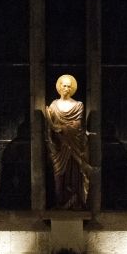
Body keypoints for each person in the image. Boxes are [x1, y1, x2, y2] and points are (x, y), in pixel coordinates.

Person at [44, 74, 90, 210]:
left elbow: (78, 126)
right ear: (59, 87)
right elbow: (48, 130)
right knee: (59, 175)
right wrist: (52, 132)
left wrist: (59, 128)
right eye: (64, 85)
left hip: (73, 146)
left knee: (74, 173)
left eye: (69, 86)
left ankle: (74, 204)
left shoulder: (78, 105)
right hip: (59, 148)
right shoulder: (53, 105)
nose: (66, 88)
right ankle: (60, 202)